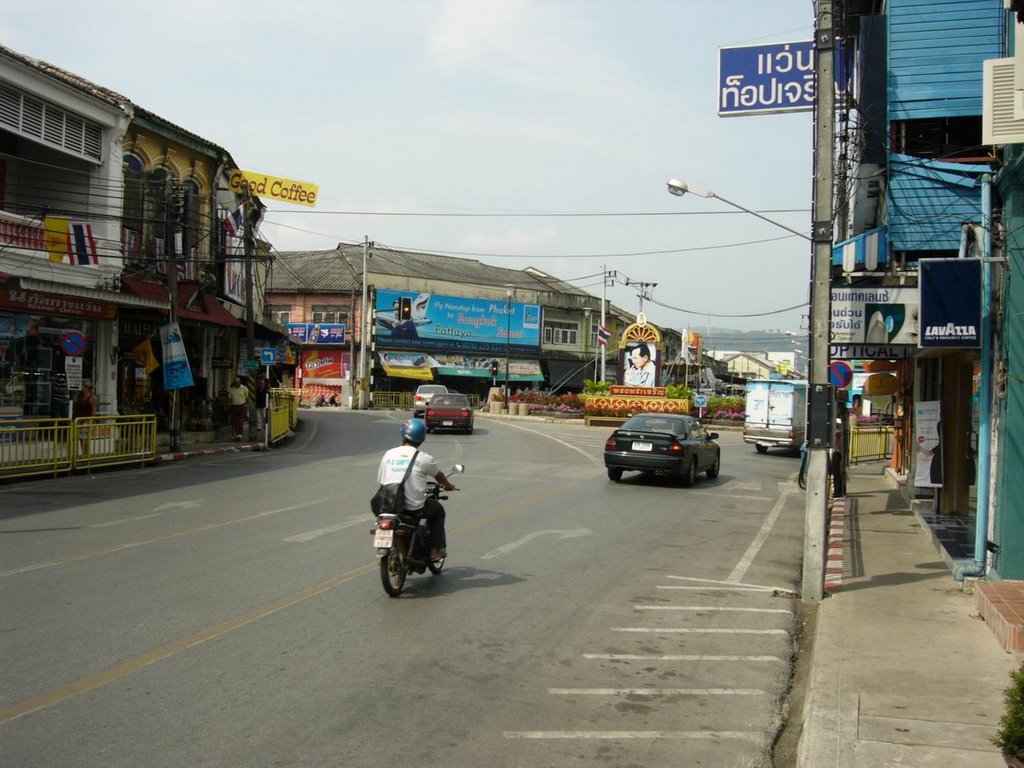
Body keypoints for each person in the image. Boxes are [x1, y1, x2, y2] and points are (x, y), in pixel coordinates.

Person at [377, 419, 456, 561]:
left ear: (403, 434)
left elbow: (382, 480)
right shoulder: (424, 458)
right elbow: (439, 476)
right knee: (438, 511)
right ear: (421, 439)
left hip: (387, 505)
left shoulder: (388, 454)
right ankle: (434, 552)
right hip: (413, 509)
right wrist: (448, 486)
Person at [74, 381, 98, 456]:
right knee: (81, 438)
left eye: (84, 387)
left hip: (86, 420)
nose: (83, 389)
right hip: (79, 419)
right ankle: (83, 453)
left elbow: (94, 409)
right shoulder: (80, 397)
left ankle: (86, 454)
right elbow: (74, 401)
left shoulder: (91, 398)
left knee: (85, 438)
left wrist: (91, 420)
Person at [228, 376, 249, 441]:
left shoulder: (244, 388)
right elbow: (230, 398)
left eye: (237, 382)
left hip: (242, 406)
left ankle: (240, 434)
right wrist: (230, 404)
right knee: (235, 421)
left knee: (240, 421)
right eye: (235, 382)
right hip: (234, 406)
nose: (236, 384)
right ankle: (237, 434)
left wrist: (246, 405)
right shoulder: (232, 389)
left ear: (240, 382)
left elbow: (247, 398)